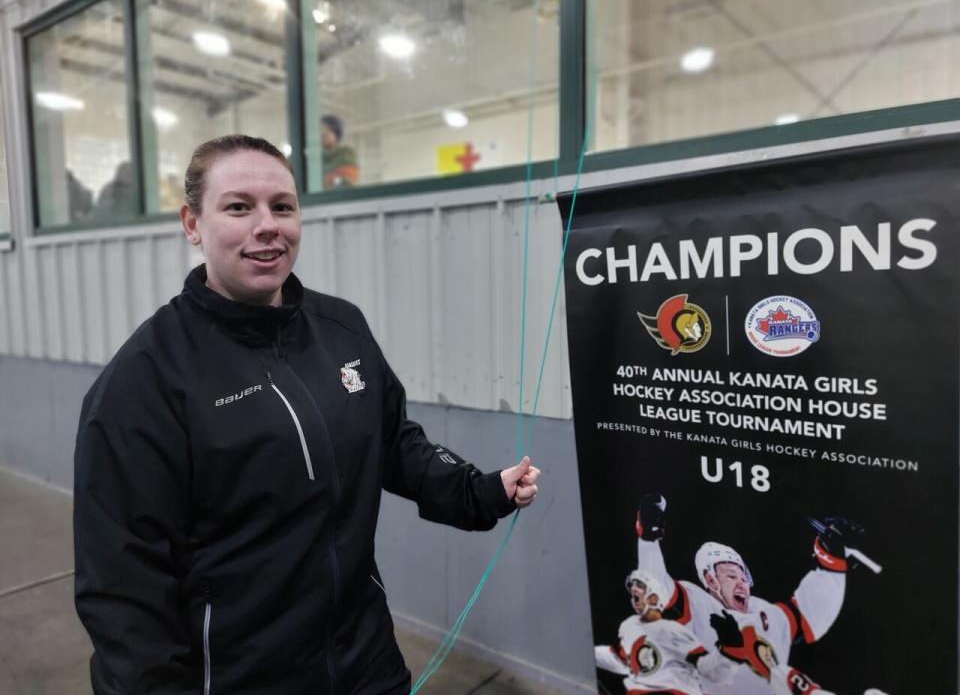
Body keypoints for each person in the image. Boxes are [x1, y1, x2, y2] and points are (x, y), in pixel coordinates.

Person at [73, 134, 540, 695]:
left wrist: (480, 490)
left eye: (283, 206)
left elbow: (392, 441)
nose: (267, 225)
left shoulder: (341, 327)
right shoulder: (145, 381)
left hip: (366, 663)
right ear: (192, 224)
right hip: (241, 679)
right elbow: (123, 589)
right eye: (239, 206)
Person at [633, 493, 861, 695]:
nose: (741, 583)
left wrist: (831, 561)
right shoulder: (699, 604)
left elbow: (811, 614)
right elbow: (656, 589)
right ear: (711, 580)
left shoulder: (764, 612)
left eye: (743, 577)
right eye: (731, 577)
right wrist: (649, 540)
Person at [594, 569, 736, 694]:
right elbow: (623, 662)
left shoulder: (673, 631)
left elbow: (711, 670)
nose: (634, 590)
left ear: (654, 597)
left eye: (640, 586)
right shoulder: (629, 626)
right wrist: (584, 652)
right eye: (633, 587)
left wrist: (730, 648)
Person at [321, 114, 359, 189]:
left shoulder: (346, 154)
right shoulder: (316, 157)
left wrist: (329, 180)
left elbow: (347, 181)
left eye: (328, 130)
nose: (323, 134)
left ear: (336, 133)